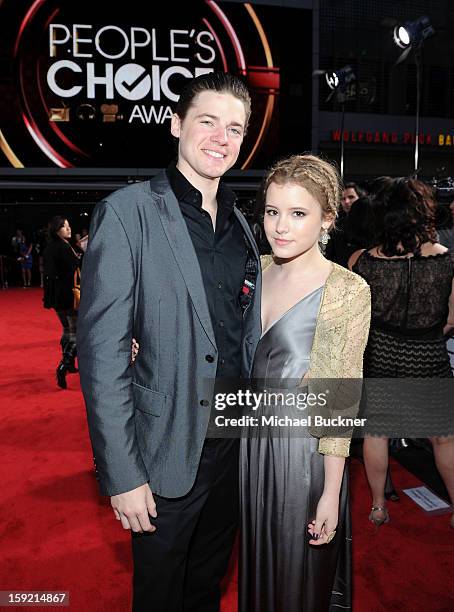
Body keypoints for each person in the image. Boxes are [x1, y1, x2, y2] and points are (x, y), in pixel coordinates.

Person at [77, 72, 261, 612]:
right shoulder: (127, 213)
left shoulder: (243, 225)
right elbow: (102, 355)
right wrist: (123, 474)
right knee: (159, 597)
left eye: (235, 128)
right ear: (177, 123)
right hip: (165, 455)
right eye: (208, 121)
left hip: (234, 446)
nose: (221, 139)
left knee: (205, 589)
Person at [240, 154, 371, 611]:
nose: (281, 226)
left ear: (327, 219)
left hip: (305, 455)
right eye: (273, 212)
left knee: (298, 580)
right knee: (259, 570)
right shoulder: (253, 271)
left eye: (298, 214)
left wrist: (331, 493)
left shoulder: (347, 290)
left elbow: (341, 398)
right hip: (250, 447)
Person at [348, 178, 454, 529]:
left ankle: (378, 506)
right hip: (429, 354)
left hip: (382, 354)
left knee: (377, 433)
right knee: (444, 437)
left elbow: (354, 320)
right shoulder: (445, 260)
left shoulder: (361, 261)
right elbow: (451, 319)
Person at [43, 216, 81, 389]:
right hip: (67, 296)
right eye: (65, 227)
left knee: (67, 329)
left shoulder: (51, 247)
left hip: (56, 297)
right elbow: (75, 266)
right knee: (76, 332)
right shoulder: (63, 247)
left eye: (68, 225)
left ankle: (70, 364)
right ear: (57, 229)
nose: (69, 229)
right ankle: (64, 365)